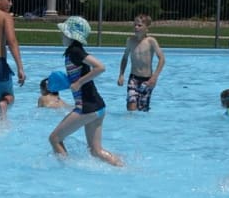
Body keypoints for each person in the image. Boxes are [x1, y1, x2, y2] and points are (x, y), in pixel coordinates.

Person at [47, 16, 123, 166]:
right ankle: (123, 167)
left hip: (87, 107)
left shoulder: (75, 51)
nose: (61, 35)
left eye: (64, 33)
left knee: (54, 139)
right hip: (98, 106)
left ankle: (65, 172)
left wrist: (79, 82)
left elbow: (100, 67)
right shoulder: (73, 52)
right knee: (96, 151)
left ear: (70, 35)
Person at [116, 13, 166, 112]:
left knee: (143, 109)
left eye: (139, 25)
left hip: (148, 80)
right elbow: (125, 58)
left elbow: (162, 59)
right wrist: (121, 75)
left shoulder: (151, 41)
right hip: (133, 78)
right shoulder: (130, 40)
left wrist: (154, 77)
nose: (136, 27)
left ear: (147, 28)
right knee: (131, 106)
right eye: (135, 25)